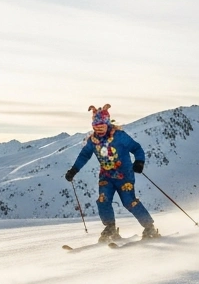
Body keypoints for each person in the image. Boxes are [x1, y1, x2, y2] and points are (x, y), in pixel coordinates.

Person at [65, 104, 159, 243]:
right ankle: (110, 228)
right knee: (103, 200)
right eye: (95, 127)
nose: (99, 130)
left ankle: (149, 227)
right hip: (106, 177)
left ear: (107, 123)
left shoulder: (119, 136)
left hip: (124, 175)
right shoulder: (93, 141)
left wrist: (139, 161)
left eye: (101, 126)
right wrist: (74, 170)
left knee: (129, 202)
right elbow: (84, 155)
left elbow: (136, 148)